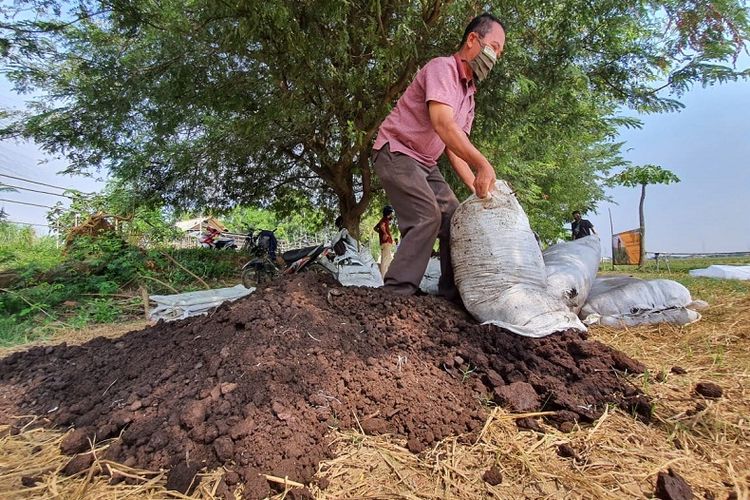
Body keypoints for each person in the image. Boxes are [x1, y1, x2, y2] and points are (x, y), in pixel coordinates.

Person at [371, 12, 505, 300]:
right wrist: (483, 164)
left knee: (455, 217)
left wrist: (478, 193)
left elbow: (454, 147)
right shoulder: (442, 69)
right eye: (494, 46)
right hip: (396, 151)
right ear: (472, 40)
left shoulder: (469, 95)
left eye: (500, 52)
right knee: (426, 216)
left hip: (425, 162)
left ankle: (451, 295)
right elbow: (443, 124)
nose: (497, 57)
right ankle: (396, 294)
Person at [374, 205, 396, 276]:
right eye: (391, 213)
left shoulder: (383, 220)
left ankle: (386, 277)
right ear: (388, 213)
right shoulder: (384, 220)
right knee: (385, 261)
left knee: (388, 260)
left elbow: (375, 228)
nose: (391, 214)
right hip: (386, 242)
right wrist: (385, 234)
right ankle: (384, 278)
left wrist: (381, 233)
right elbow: (382, 226)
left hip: (385, 243)